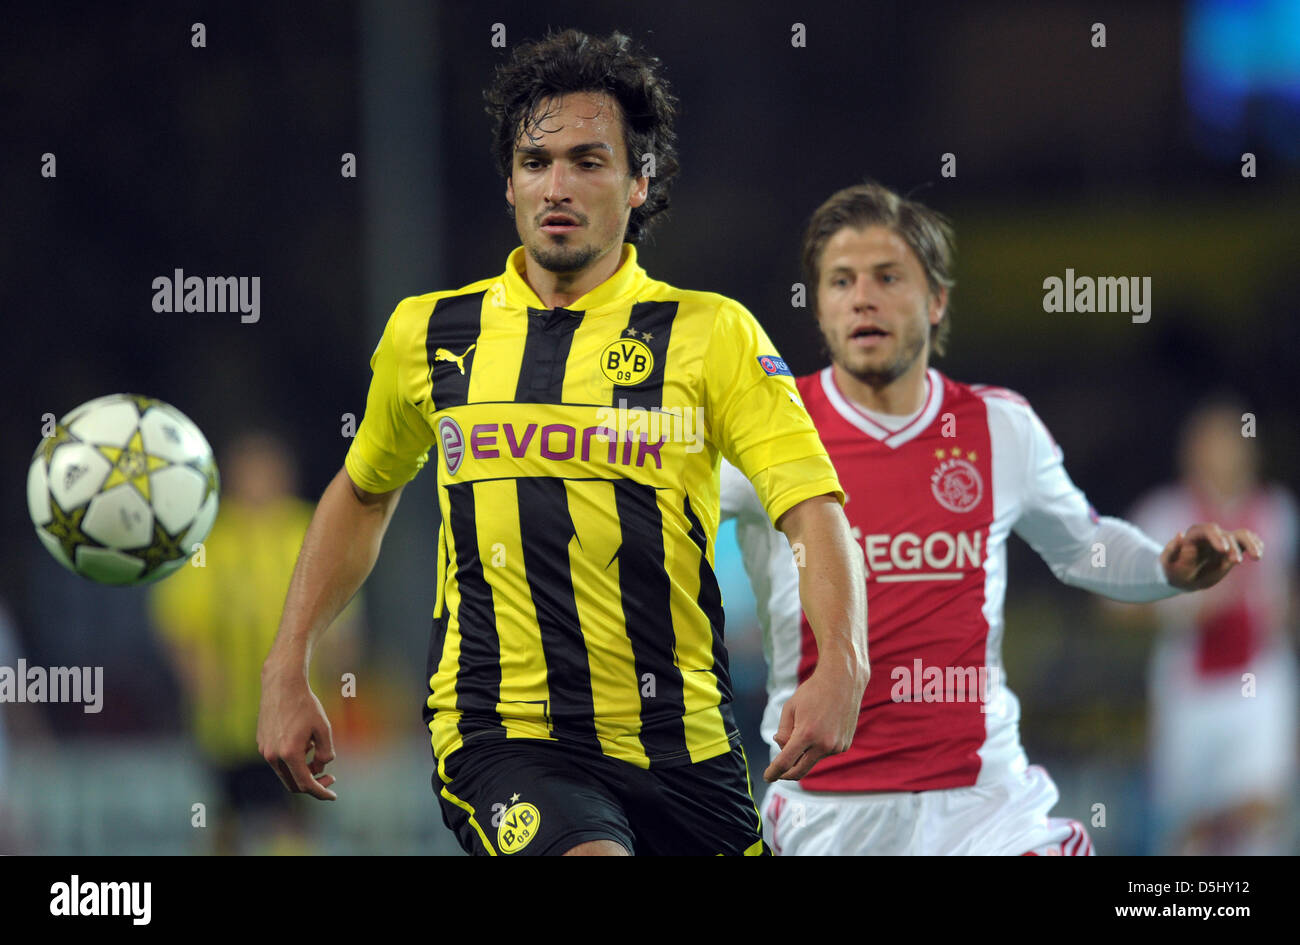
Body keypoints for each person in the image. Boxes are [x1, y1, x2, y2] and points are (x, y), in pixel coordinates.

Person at [257, 29, 867, 856]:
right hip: (502, 733)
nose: (558, 185)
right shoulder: (430, 333)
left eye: (589, 160)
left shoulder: (711, 334)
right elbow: (364, 492)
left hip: (683, 742)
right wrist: (288, 662)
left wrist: (844, 662)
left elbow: (809, 505)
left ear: (639, 183)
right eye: (536, 161)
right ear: (509, 182)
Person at [720, 180, 1262, 855]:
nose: (864, 296)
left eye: (888, 277)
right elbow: (650, 518)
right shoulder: (768, 430)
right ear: (820, 308)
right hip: (831, 808)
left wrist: (1164, 569)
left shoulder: (998, 426)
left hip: (987, 806)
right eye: (840, 281)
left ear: (937, 300)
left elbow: (1084, 546)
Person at [153, 431, 357, 855]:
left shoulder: (309, 529)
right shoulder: (211, 539)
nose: (259, 481)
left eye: (267, 470)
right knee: (226, 819)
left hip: (298, 715)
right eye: (250, 471)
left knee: (293, 813)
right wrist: (198, 675)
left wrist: (341, 666)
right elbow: (179, 619)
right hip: (230, 722)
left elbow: (341, 608)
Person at [1126, 399, 1296, 855]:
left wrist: (1281, 609)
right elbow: (1110, 602)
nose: (1221, 454)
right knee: (1188, 824)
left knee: (1261, 807)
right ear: (1190, 452)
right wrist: (1176, 605)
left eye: (1231, 442)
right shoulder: (1164, 513)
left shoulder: (1277, 512)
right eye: (1209, 443)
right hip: (1189, 685)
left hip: (1259, 679)